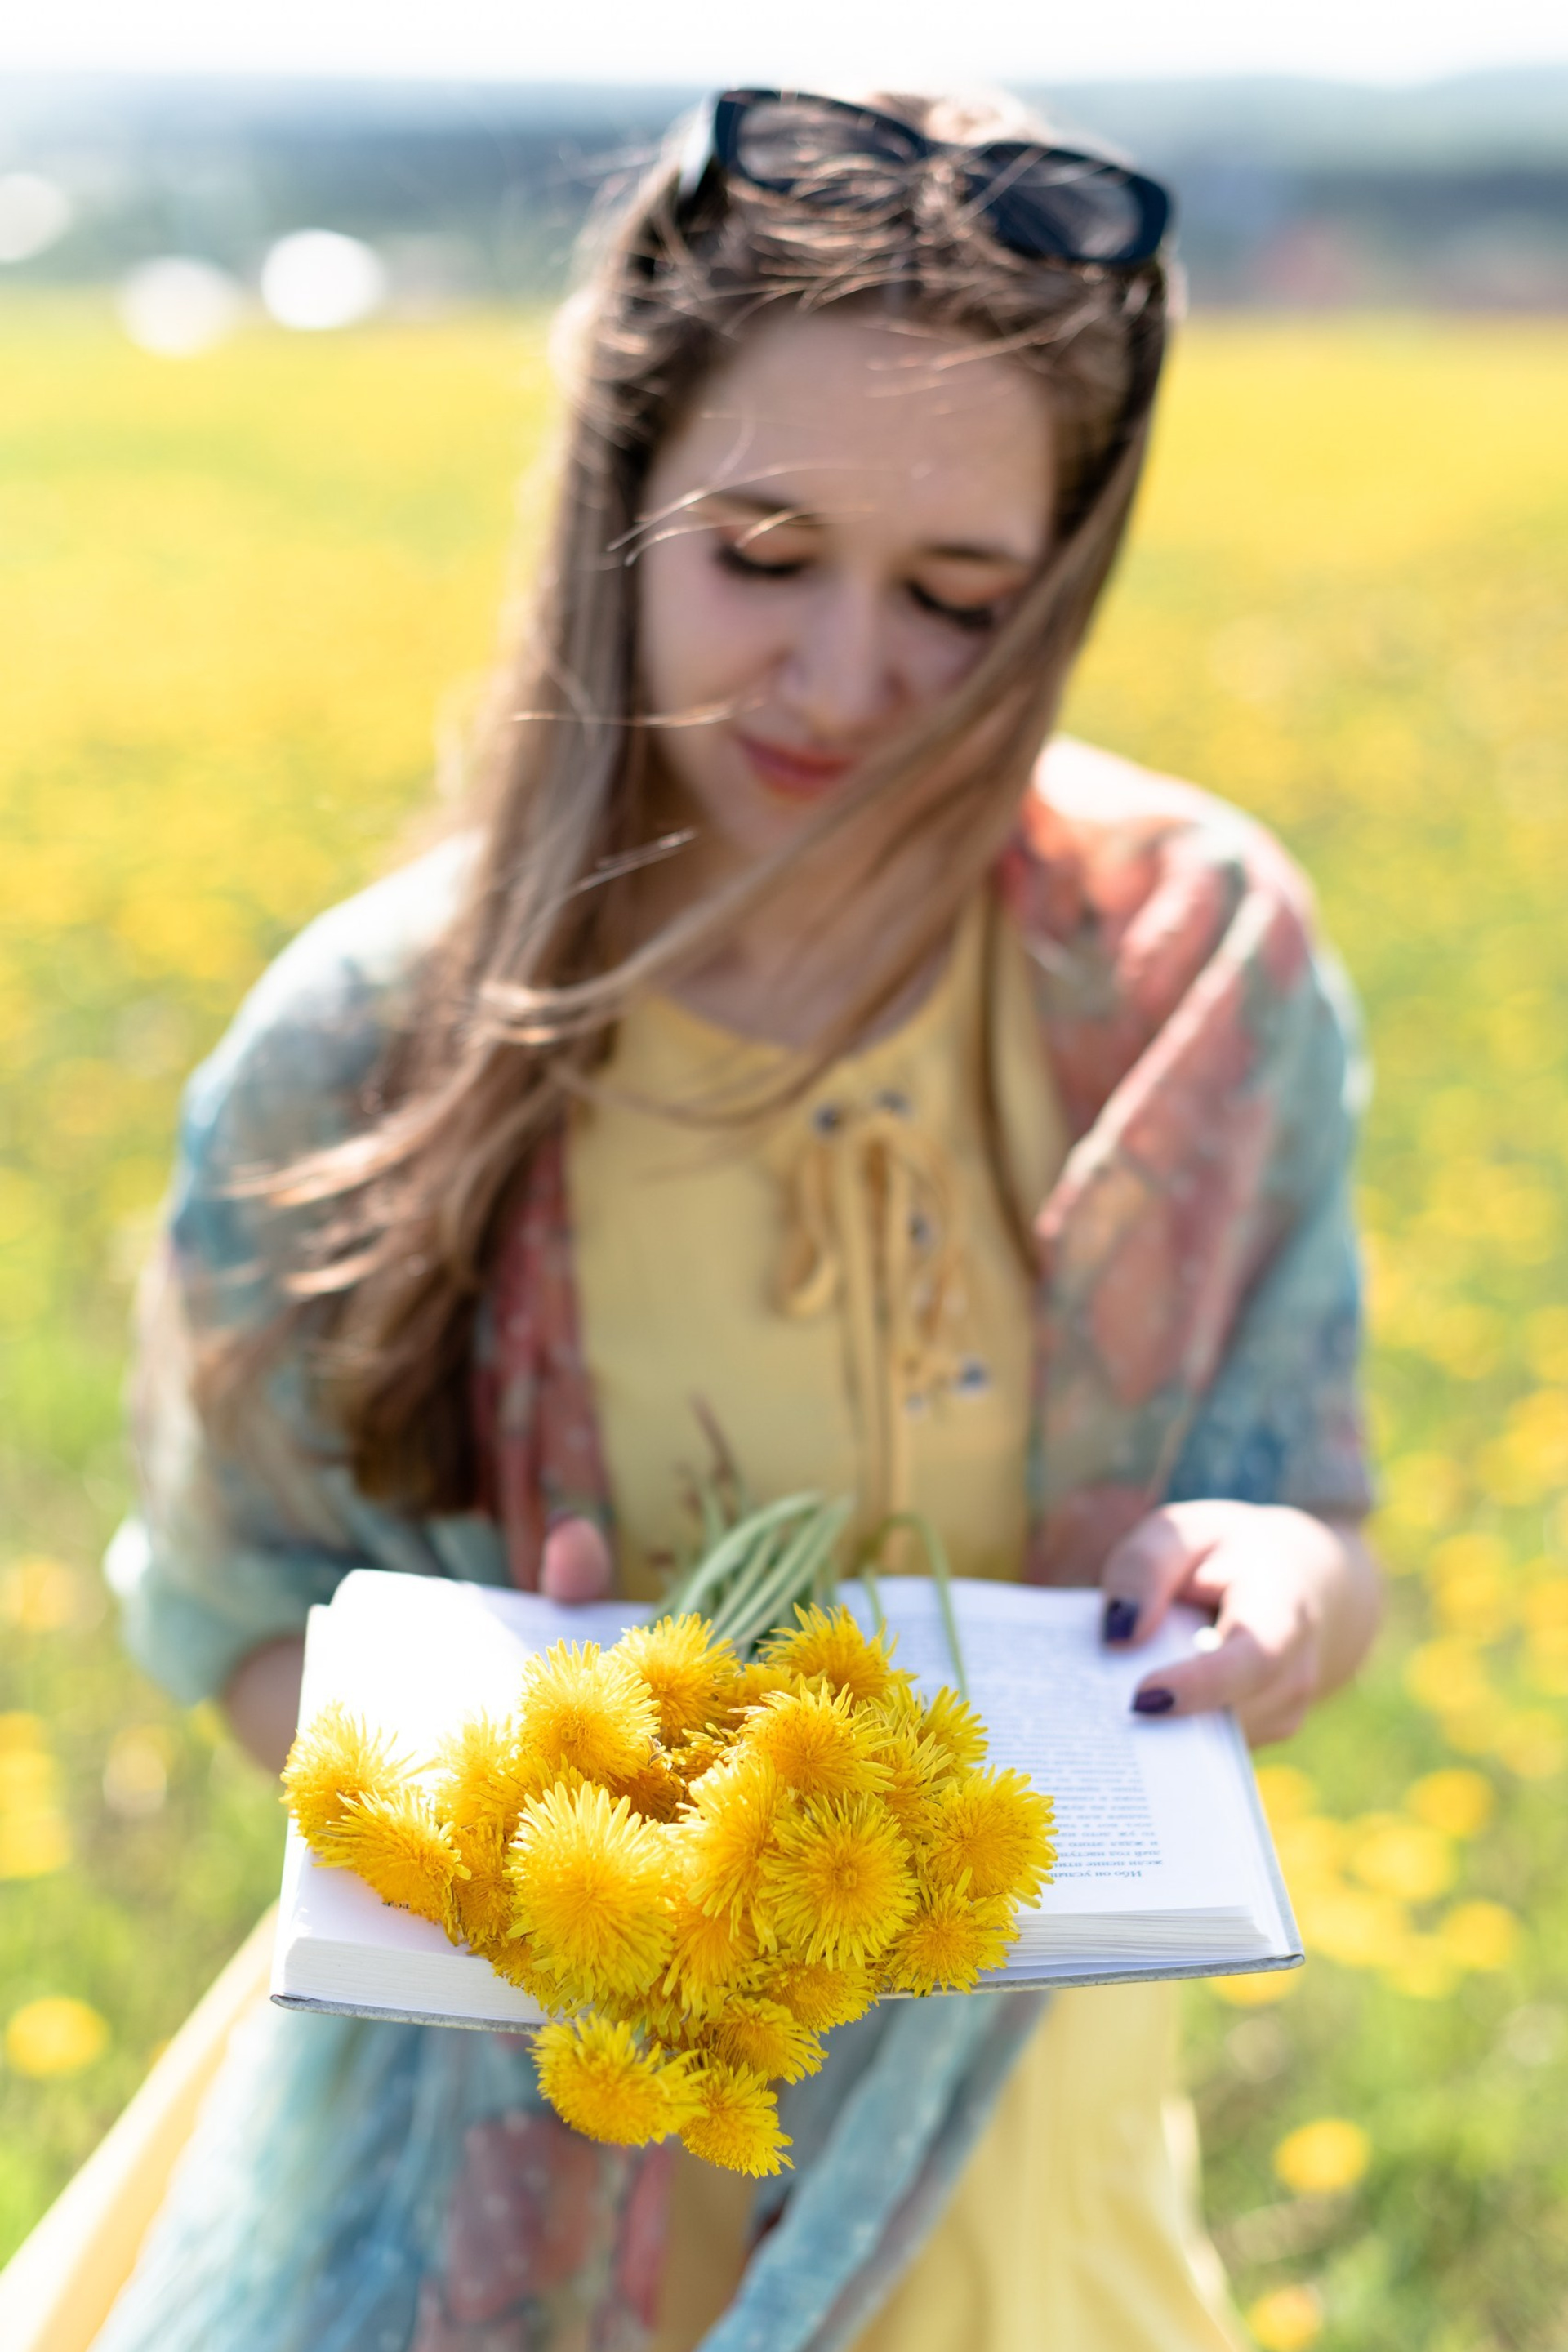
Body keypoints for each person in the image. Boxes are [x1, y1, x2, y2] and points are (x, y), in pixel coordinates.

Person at [87, 85, 1379, 2352]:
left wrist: (1270, 1597)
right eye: (760, 557)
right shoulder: (368, 1045)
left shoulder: (1205, 979)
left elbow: (1313, 1515)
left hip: (1011, 2208)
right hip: (481, 2216)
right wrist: (499, 1748)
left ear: (1059, 577)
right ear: (618, 495)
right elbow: (237, 1608)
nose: (842, 677)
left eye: (958, 601)